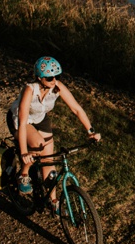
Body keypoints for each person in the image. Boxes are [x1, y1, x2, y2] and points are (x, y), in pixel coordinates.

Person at [7, 56, 101, 212]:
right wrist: (24, 152)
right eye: (50, 77)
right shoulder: (30, 89)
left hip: (40, 119)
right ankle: (23, 175)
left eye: (57, 76)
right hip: (20, 120)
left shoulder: (57, 87)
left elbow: (76, 109)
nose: (54, 80)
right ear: (39, 77)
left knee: (49, 160)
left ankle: (53, 200)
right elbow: (23, 122)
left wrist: (91, 131)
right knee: (38, 144)